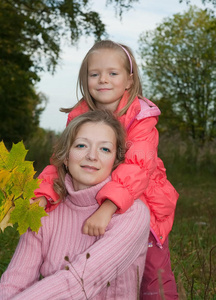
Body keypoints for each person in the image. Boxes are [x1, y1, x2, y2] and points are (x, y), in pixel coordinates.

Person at [32, 40, 179, 299]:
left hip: (142, 198)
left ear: (128, 81)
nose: (103, 80)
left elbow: (137, 167)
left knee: (153, 272)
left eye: (113, 73)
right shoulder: (79, 117)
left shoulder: (140, 118)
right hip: (92, 195)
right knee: (101, 263)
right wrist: (44, 194)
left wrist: (108, 207)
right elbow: (62, 160)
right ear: (85, 78)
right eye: (94, 74)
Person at [0, 110, 150, 300]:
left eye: (105, 149)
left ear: (115, 161)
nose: (92, 156)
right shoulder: (43, 208)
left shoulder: (132, 214)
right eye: (81, 146)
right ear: (65, 155)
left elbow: (78, 283)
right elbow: (14, 282)